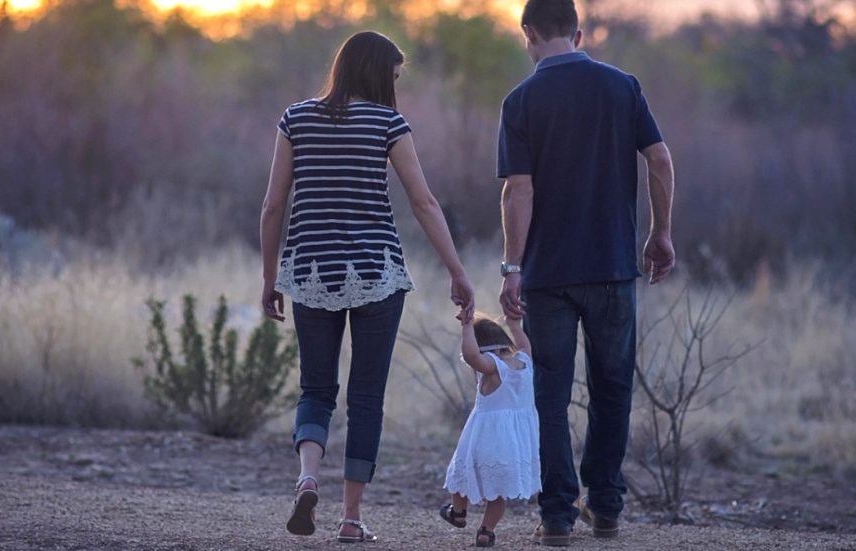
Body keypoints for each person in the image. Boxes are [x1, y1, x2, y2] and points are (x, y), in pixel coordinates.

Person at [259, 30, 475, 544]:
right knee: (366, 398)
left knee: (316, 389)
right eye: (394, 77)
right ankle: (351, 519)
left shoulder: (295, 119)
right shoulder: (388, 123)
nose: (395, 87)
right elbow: (424, 203)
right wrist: (457, 271)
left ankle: (308, 476)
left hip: (310, 271)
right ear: (378, 74)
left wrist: (270, 279)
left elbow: (272, 206)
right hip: (377, 272)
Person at [496, 0, 676, 546]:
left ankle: (556, 517)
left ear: (528, 32)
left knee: (549, 395)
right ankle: (607, 507)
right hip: (613, 268)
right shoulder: (622, 87)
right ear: (577, 32)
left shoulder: (521, 99)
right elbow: (661, 160)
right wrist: (661, 232)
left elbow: (517, 189)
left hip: (548, 275)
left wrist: (511, 267)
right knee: (612, 389)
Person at [439, 313, 540, 548]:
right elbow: (524, 344)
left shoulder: (493, 367)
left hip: (486, 438)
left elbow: (472, 356)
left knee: (461, 475)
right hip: (515, 443)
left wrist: (466, 328)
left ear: (484, 348)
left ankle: (458, 512)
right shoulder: (525, 361)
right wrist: (514, 325)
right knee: (499, 492)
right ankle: (486, 531)